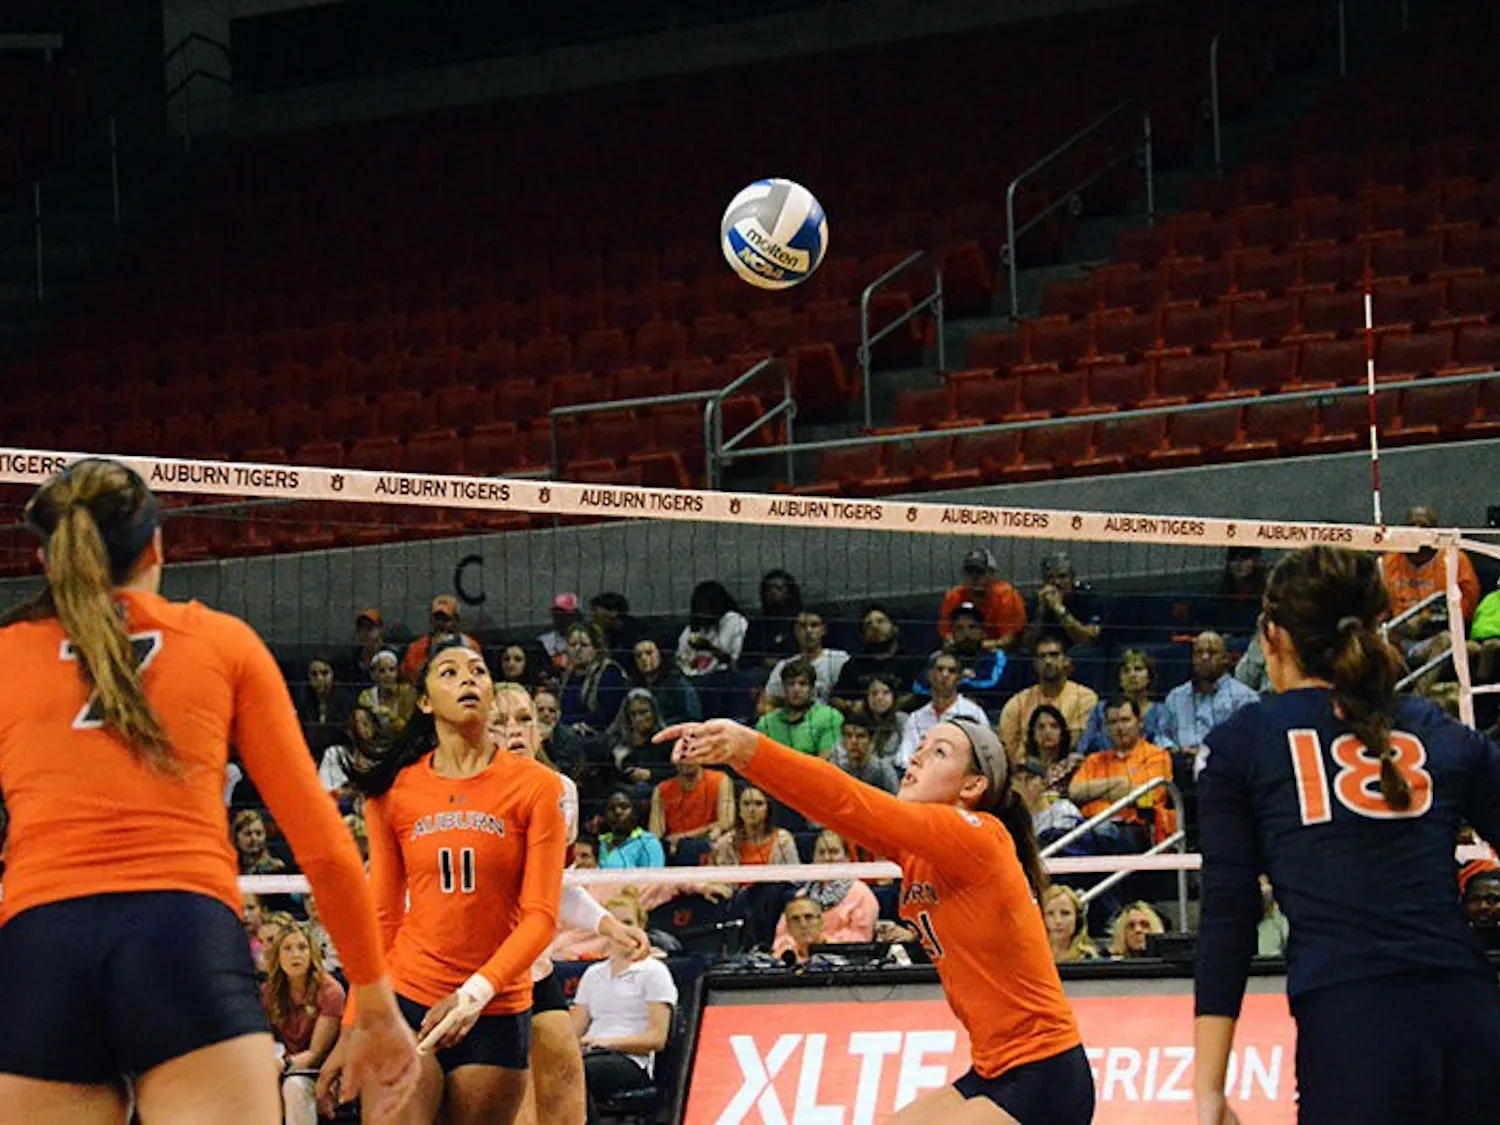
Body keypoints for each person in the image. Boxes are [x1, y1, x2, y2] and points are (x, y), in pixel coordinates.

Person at [0, 458, 417, 1124]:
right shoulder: (221, 643)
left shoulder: (6, 655)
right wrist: (374, 1000)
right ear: (158, 547)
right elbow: (327, 848)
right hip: (181, 938)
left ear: (48, 561)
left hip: (42, 946)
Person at [1193, 545, 1500, 1125]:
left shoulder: (1243, 742)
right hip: (1471, 1017)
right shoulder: (1437, 728)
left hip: (1355, 1028)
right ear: (1376, 625)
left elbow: (1229, 916)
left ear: (1273, 635)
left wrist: (1208, 1087)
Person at [660, 715, 1093, 1124]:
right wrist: (741, 759)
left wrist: (749, 746)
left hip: (1045, 1073)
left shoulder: (977, 834)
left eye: (939, 752)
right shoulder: (919, 851)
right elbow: (830, 807)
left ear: (973, 785)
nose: (917, 757)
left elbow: (849, 797)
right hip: (994, 1069)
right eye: (919, 746)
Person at [323, 638, 568, 1125]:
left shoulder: (537, 786)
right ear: (425, 700)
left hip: (494, 1007)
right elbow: (383, 916)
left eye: (477, 671)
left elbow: (541, 918)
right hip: (409, 996)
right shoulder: (393, 792)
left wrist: (474, 995)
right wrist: (354, 1024)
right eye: (450, 673)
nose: (468, 680)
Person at [489, 686, 652, 1125]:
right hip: (482, 969)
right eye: (500, 723)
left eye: (524, 720)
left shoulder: (560, 790)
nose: (515, 731)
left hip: (532, 964)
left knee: (565, 1075)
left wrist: (609, 927)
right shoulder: (467, 795)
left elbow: (554, 885)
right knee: (517, 1104)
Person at [570, 895, 679, 1113]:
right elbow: (572, 1033)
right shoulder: (592, 974)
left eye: (628, 923)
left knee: (577, 1075)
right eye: (615, 923)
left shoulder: (654, 971)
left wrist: (607, 1043)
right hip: (590, 1052)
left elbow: (656, 1039)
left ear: (641, 927)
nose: (622, 930)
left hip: (630, 1061)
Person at [263, 922, 346, 1125]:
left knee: (295, 1086)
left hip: (323, 1072)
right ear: (278, 956)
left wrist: (281, 1064)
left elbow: (315, 1054)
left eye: (302, 947)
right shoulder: (268, 992)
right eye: (287, 949)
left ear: (312, 953)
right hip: (282, 1065)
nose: (295, 955)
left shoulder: (330, 992)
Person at [771, 832, 880, 958]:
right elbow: (781, 937)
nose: (827, 858)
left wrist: (821, 943)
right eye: (821, 853)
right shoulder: (802, 895)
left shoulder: (861, 893)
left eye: (833, 852)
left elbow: (861, 938)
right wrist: (798, 948)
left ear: (847, 857)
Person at [557, 625, 629, 734]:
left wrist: (565, 722)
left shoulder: (609, 672)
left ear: (597, 647)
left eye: (584, 645)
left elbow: (606, 715)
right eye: (573, 645)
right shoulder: (567, 676)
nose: (577, 650)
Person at [400, 594, 479, 683]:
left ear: (456, 621)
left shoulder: (470, 646)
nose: (440, 624)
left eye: (446, 619)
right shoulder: (416, 649)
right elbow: (409, 680)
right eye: (437, 619)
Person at [629, 638, 701, 725]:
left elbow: (693, 716)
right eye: (639, 656)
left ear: (660, 655)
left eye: (649, 653)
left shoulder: (677, 682)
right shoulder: (633, 687)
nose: (644, 658)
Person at [597, 790, 667, 869]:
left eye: (624, 807)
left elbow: (654, 878)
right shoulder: (602, 842)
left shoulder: (648, 842)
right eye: (611, 808)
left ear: (635, 811)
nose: (617, 812)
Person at [1042, 885, 1099, 963]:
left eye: (1065, 913)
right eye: (1050, 914)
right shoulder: (1029, 955)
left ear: (1078, 919)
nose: (1058, 921)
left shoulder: (1089, 958)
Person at [234, 808, 287, 875]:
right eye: (248, 833)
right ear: (236, 837)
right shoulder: (227, 867)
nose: (254, 838)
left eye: (258, 833)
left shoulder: (276, 868)